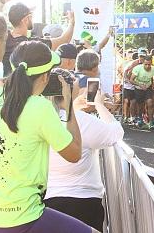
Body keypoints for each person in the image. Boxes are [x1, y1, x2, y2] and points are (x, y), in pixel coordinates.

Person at [0, 41, 95, 232]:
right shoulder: (40, 107)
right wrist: (69, 107)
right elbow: (74, 154)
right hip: (25, 214)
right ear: (45, 77)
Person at [45, 91, 124, 232]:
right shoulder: (81, 120)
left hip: (47, 202)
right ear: (68, 93)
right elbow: (115, 133)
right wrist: (100, 105)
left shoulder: (41, 120)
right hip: (83, 201)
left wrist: (74, 107)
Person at [130, 55, 154, 129]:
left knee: (150, 103)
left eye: (149, 64)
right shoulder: (137, 69)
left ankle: (151, 122)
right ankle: (140, 118)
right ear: (143, 63)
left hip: (148, 88)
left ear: (151, 63)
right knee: (140, 105)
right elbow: (131, 80)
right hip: (138, 88)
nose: (147, 66)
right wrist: (140, 85)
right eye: (146, 64)